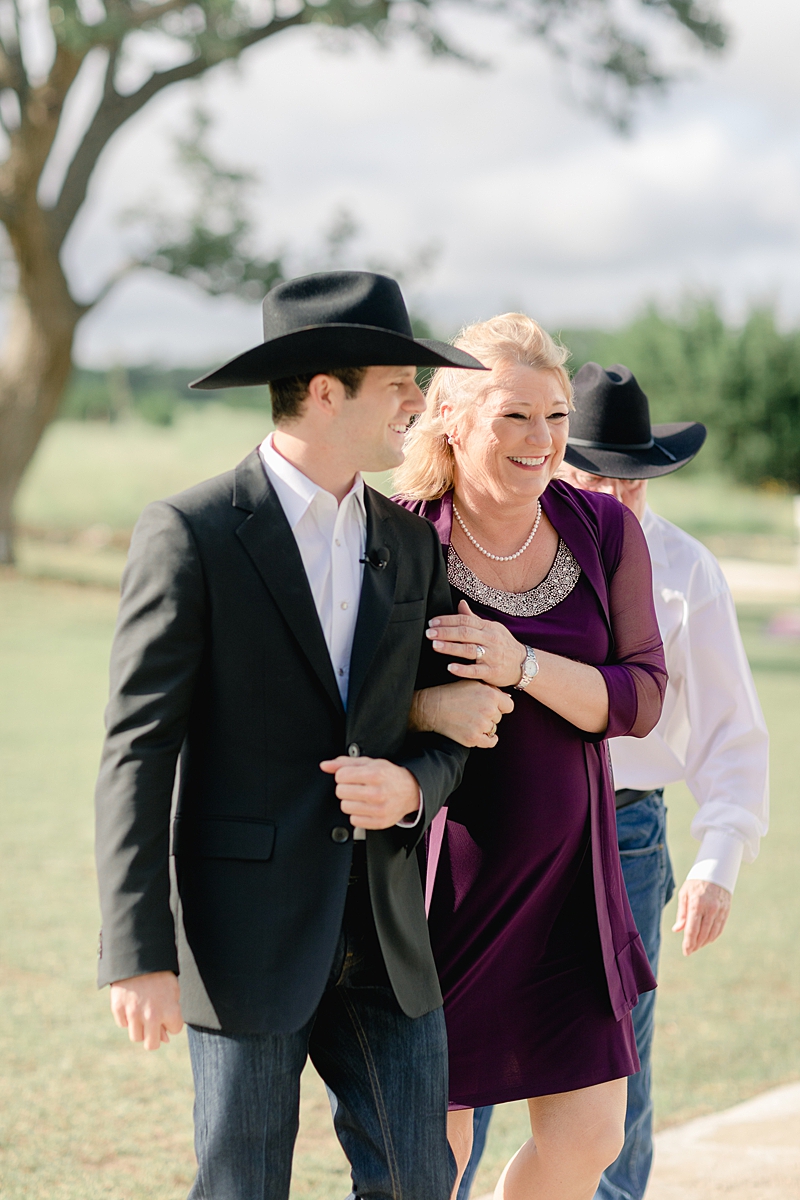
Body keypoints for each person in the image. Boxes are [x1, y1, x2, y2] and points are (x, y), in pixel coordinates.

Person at [94, 270, 488, 1200]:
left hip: (388, 932)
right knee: (243, 1185)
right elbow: (136, 749)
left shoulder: (411, 542)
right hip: (244, 939)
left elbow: (449, 717)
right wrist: (137, 951)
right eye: (399, 383)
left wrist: (416, 785)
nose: (416, 404)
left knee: (419, 1180)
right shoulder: (189, 534)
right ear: (323, 392)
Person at [458, 362, 770, 1200]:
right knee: (465, 1056)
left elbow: (730, 722)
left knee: (614, 1059)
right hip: (486, 824)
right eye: (599, 475)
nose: (620, 498)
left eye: (636, 480)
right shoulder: (479, 536)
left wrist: (720, 857)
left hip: (625, 829)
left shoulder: (682, 565)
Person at [393, 314, 667, 1200]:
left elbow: (641, 697)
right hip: (438, 892)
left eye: (555, 419)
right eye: (515, 416)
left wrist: (524, 665)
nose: (541, 440)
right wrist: (430, 703)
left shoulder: (603, 531)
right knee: (427, 1155)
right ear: (452, 416)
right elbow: (332, 698)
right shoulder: (396, 534)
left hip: (573, 894)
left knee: (588, 1141)